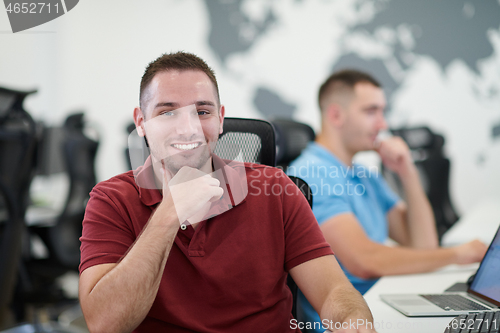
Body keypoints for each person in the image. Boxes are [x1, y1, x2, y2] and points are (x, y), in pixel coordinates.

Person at [78, 53, 377, 333]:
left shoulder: (276, 190)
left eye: (202, 111)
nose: (188, 128)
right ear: (141, 123)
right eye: (167, 112)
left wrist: (353, 321)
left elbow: (334, 292)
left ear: (220, 119)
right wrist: (169, 213)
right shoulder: (110, 200)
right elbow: (106, 324)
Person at [287, 69, 488, 332]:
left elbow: (423, 245)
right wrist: (459, 254)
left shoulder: (362, 175)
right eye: (371, 111)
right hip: (350, 322)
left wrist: (407, 172)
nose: (382, 124)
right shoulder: (311, 174)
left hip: (383, 301)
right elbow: (365, 261)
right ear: (336, 115)